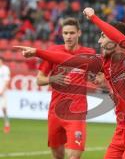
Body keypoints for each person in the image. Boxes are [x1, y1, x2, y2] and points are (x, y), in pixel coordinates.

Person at [14, 9, 125, 159]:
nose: (98, 41)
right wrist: (38, 52)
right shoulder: (105, 63)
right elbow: (70, 61)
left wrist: (93, 17)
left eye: (103, 36)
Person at [32, 17, 96, 159]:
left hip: (76, 112)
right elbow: (39, 79)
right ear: (62, 34)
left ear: (79, 33)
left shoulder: (89, 53)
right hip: (55, 112)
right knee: (58, 156)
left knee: (74, 156)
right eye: (65, 33)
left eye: (72, 33)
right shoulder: (53, 52)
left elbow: (96, 75)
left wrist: (94, 77)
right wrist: (52, 79)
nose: (68, 36)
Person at [0, 57, 11, 134]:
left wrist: (2, 91)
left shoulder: (5, 69)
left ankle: (7, 124)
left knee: (4, 109)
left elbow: (7, 81)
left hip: (2, 92)